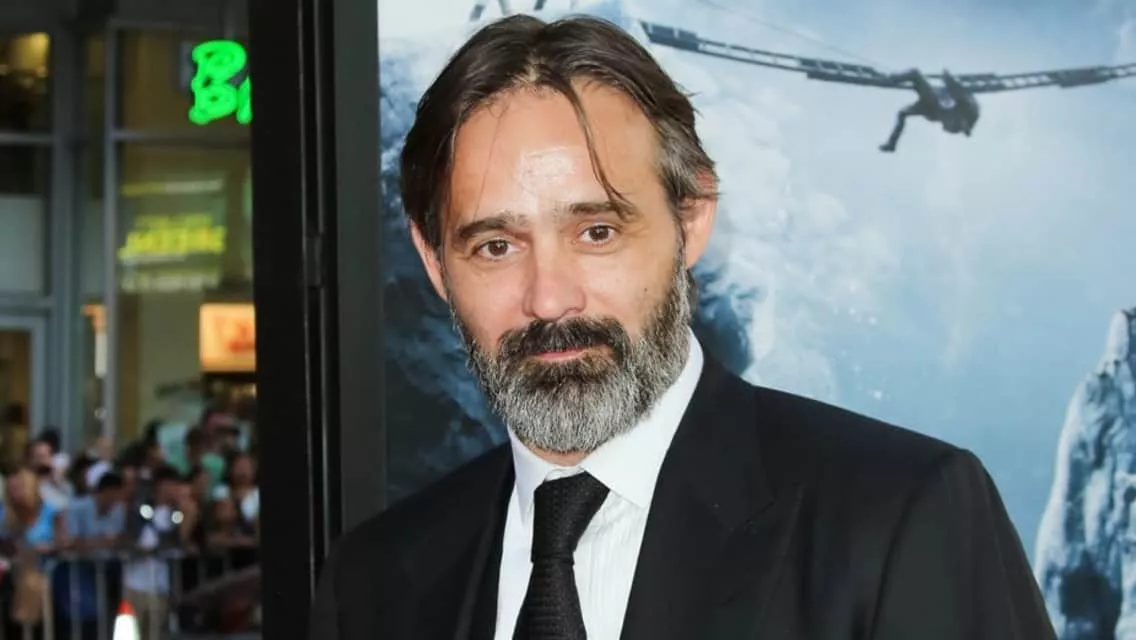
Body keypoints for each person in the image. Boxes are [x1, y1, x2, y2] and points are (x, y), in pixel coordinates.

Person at [310, 14, 1055, 640]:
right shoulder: (374, 585)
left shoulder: (900, 517)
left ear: (691, 219)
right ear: (435, 262)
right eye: (496, 246)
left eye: (597, 232)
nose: (549, 299)